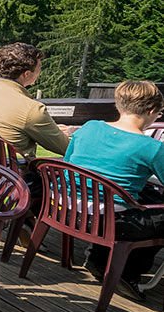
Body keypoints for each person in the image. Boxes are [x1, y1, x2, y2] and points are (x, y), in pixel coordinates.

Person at [65, 80, 164, 300]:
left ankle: (97, 259)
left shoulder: (89, 127)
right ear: (151, 111)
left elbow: (68, 163)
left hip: (70, 211)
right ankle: (128, 273)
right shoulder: (152, 146)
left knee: (142, 197)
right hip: (111, 222)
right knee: (158, 218)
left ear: (119, 106)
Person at [0, 43, 70, 157]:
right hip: (15, 172)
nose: (40, 73)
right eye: (39, 68)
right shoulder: (32, 109)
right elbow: (64, 148)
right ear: (27, 74)